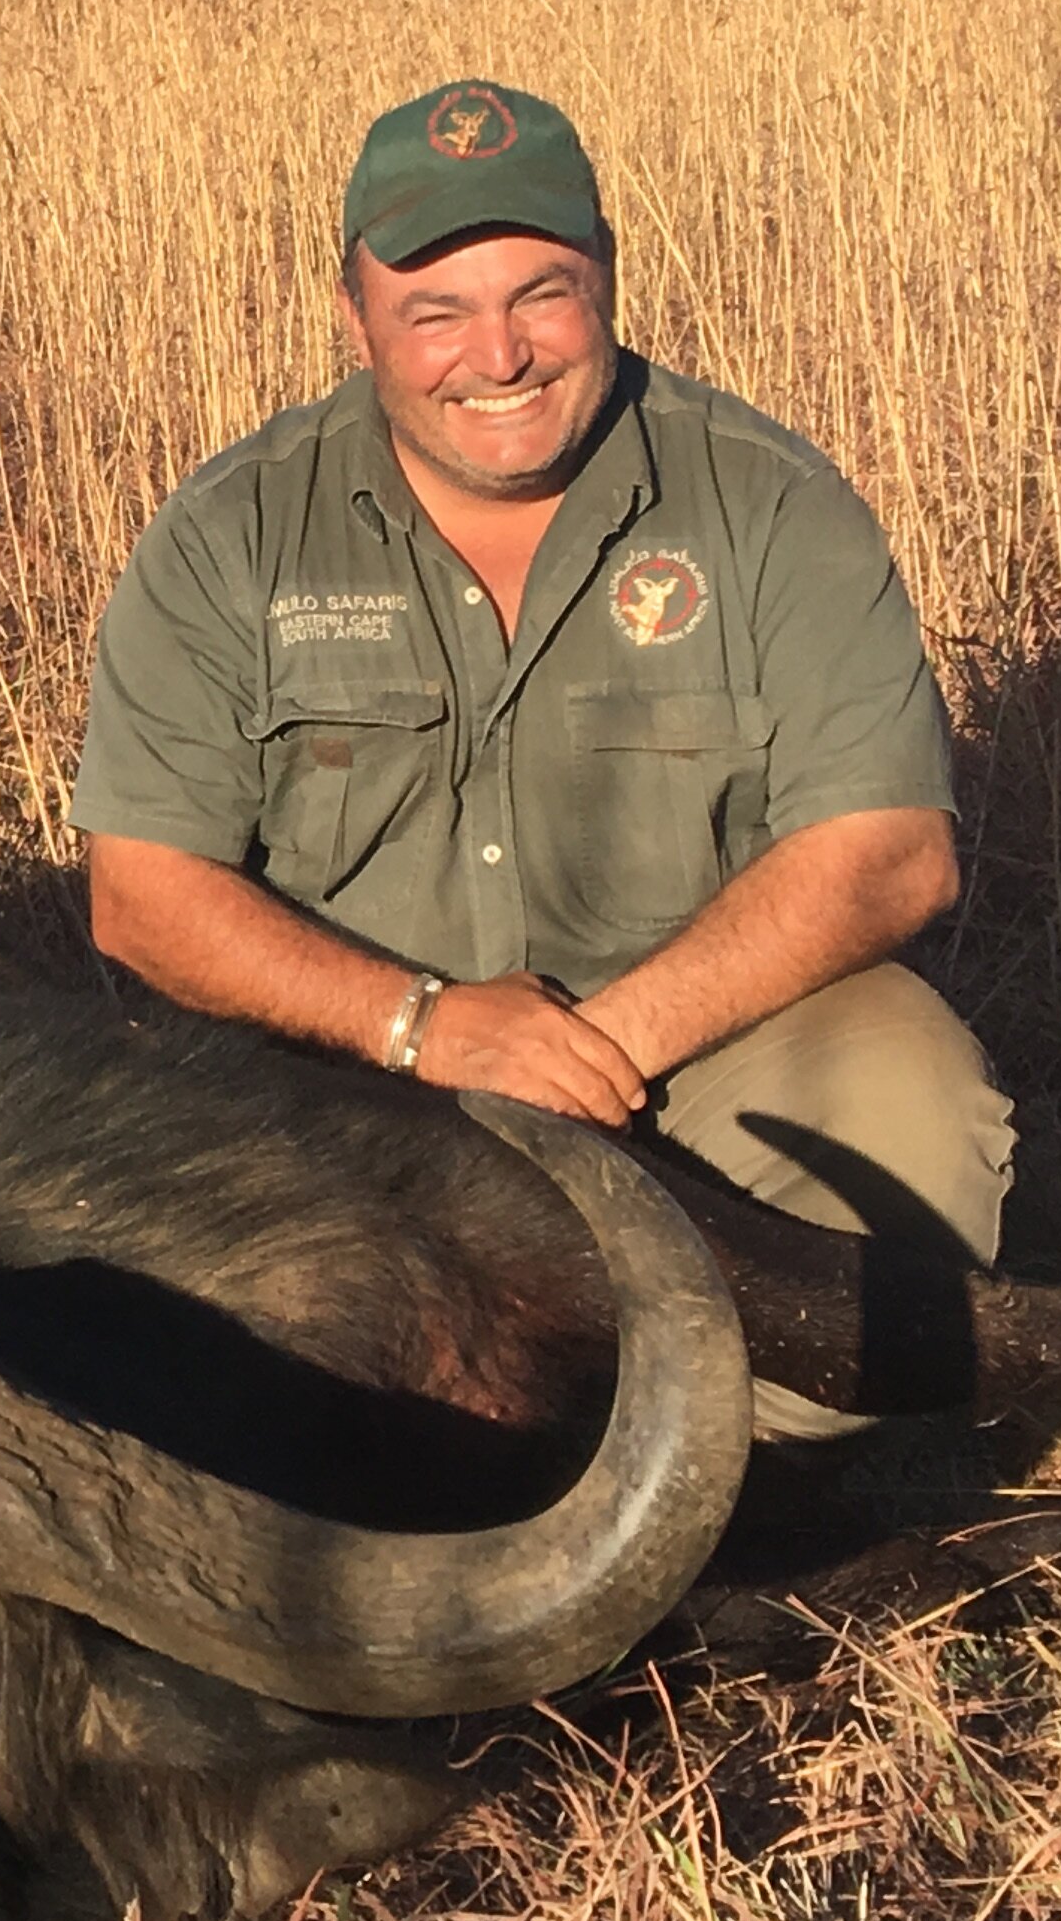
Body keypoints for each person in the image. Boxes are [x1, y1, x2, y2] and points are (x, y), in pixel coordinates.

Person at [70, 79, 1010, 1305]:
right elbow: (142, 897)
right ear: (356, 318)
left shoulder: (771, 499)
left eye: (540, 296)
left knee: (915, 1133)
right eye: (436, 313)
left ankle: (720, 1442)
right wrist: (424, 1027)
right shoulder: (227, 533)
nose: (498, 356)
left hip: (691, 1060)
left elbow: (891, 852)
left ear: (608, 275)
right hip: (346, 1077)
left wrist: (598, 1053)